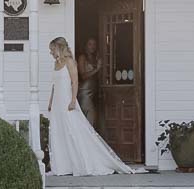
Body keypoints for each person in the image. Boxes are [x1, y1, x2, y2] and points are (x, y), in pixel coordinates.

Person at [44, 37, 135, 176]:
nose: (50, 52)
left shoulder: (70, 62)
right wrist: (51, 101)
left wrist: (73, 100)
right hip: (57, 102)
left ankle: (83, 161)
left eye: (52, 49)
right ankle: (62, 165)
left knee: (74, 129)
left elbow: (75, 82)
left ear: (59, 48)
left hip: (67, 100)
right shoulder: (56, 64)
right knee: (59, 130)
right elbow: (54, 85)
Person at [76, 37, 101, 128]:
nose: (92, 46)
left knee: (94, 119)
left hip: (94, 92)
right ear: (86, 46)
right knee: (90, 118)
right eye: (90, 44)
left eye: (94, 44)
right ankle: (89, 140)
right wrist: (97, 69)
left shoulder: (95, 58)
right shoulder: (82, 57)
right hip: (85, 93)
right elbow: (83, 76)